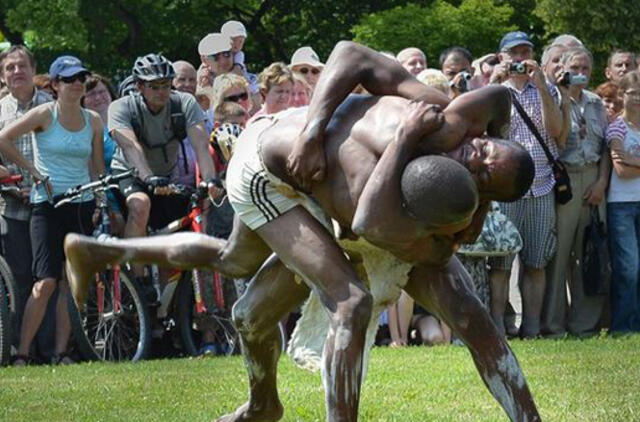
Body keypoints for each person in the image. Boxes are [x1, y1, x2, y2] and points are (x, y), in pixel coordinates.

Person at [65, 41, 540, 422]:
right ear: (477, 136)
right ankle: (108, 253)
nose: (471, 157)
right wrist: (315, 129)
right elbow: (351, 58)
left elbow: (503, 107)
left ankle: (261, 405)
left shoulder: (453, 170)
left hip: (335, 190)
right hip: (270, 167)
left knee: (469, 312)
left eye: (481, 181)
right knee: (333, 296)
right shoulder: (439, 121)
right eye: (477, 154)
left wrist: (472, 217)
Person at [0, 55, 105, 365]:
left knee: (68, 283)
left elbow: (96, 167)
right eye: (69, 79)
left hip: (81, 205)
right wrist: (33, 171)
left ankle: (60, 353)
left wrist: (100, 200)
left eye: (81, 78)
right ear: (56, 85)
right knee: (44, 281)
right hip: (47, 204)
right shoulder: (45, 112)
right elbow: (3, 138)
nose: (77, 84)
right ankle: (22, 352)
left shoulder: (93, 121)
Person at [107, 53, 220, 282]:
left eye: (167, 85)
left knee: (178, 231)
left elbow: (200, 144)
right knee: (141, 205)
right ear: (139, 86)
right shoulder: (121, 107)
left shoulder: (184, 103)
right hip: (130, 172)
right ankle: (139, 282)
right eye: (155, 86)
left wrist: (210, 180)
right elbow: (131, 147)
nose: (162, 92)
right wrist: (147, 177)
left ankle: (173, 300)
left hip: (165, 175)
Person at [487, 31, 567, 338]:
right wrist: (494, 82)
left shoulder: (548, 90)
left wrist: (542, 87)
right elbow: (476, 126)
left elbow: (556, 131)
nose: (520, 59)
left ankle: (531, 328)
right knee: (501, 264)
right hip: (506, 188)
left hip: (541, 186)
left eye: (525, 52)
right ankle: (497, 327)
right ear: (502, 56)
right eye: (514, 54)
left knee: (536, 262)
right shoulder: (495, 91)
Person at [541, 47, 610, 338]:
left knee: (590, 250)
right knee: (560, 255)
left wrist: (601, 183)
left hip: (593, 178)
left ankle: (585, 325)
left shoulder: (596, 102)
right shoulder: (553, 98)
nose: (580, 72)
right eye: (575, 67)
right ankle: (553, 325)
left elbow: (606, 146)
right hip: (564, 181)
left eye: (585, 67)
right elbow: (555, 137)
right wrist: (565, 97)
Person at [0, 45, 52, 356]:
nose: (17, 72)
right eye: (9, 68)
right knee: (20, 280)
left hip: (49, 204)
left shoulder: (52, 106)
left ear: (33, 70)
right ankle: (22, 348)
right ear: (2, 76)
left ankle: (48, 348)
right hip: (12, 206)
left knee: (48, 279)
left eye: (22, 66)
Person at [605, 70, 640, 334]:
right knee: (628, 268)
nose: (638, 99)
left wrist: (633, 159)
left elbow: (630, 165)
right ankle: (622, 326)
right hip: (622, 205)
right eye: (633, 93)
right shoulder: (616, 127)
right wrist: (627, 162)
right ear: (622, 94)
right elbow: (621, 171)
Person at [82, 73, 125, 235]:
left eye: (102, 92)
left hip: (131, 192)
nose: (98, 97)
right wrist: (103, 204)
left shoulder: (126, 122)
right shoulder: (85, 131)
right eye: (91, 94)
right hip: (107, 199)